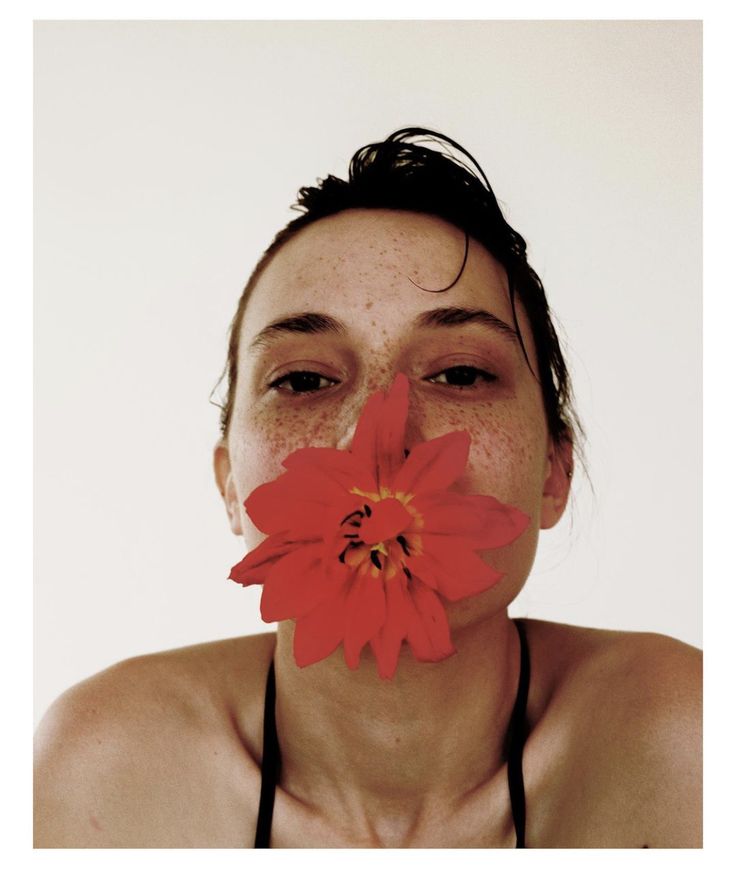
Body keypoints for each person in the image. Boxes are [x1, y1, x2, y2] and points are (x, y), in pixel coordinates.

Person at [34, 128, 702, 848]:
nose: (374, 437)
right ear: (230, 485)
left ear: (553, 472)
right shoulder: (103, 774)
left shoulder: (691, 739)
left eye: (460, 373)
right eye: (305, 381)